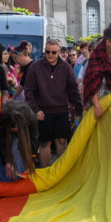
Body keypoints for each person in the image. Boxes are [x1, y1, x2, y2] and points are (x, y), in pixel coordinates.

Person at [23, 38, 82, 166]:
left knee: (61, 141)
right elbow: (29, 91)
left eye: (53, 52)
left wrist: (79, 109)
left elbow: (73, 90)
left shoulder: (66, 67)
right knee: (44, 143)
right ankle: (45, 172)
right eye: (47, 52)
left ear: (59, 52)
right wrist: (36, 109)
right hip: (42, 111)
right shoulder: (35, 66)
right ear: (44, 51)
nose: (50, 55)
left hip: (61, 110)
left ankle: (61, 172)